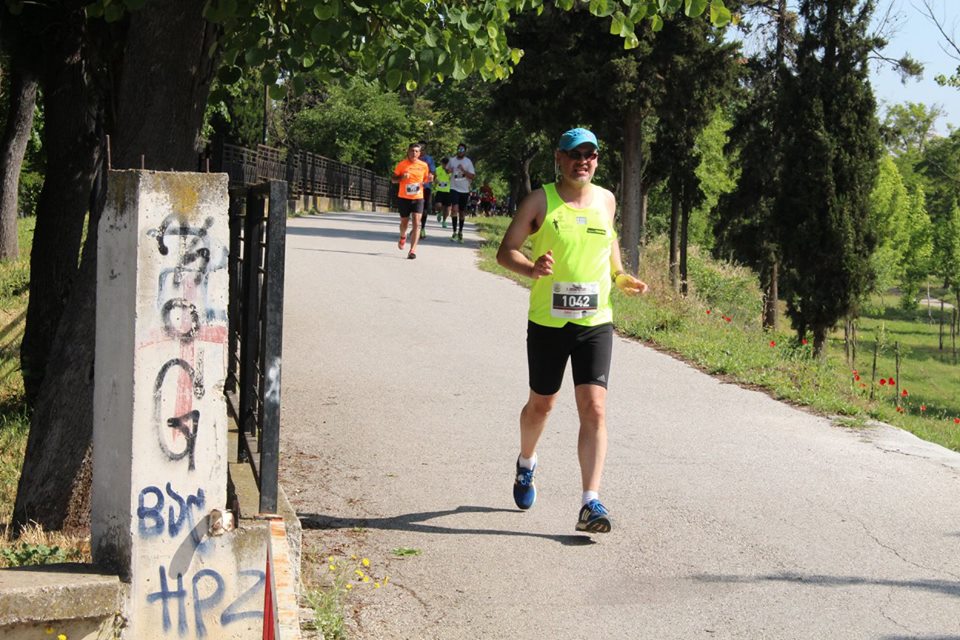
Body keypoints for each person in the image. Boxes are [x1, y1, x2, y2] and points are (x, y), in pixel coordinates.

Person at [495, 127, 649, 533]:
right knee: (541, 405)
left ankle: (590, 502)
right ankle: (526, 462)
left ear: (597, 159)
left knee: (594, 407)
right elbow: (505, 251)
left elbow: (609, 245)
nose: (583, 161)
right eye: (575, 154)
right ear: (559, 158)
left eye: (590, 154)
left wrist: (620, 276)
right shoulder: (539, 200)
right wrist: (531, 268)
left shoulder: (606, 200)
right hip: (548, 321)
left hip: (594, 321)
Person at [391, 142, 430, 259]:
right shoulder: (402, 164)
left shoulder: (424, 165)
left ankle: (412, 250)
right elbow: (393, 180)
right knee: (404, 223)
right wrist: (402, 177)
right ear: (408, 152)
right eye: (412, 151)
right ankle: (403, 236)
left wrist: (429, 179)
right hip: (404, 197)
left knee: (417, 224)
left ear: (419, 153)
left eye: (416, 151)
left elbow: (425, 180)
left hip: (418, 198)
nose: (414, 153)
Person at [446, 143, 475, 244]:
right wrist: (449, 170)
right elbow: (447, 170)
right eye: (459, 149)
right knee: (455, 209)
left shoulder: (468, 162)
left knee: (462, 212)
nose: (460, 151)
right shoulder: (452, 160)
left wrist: (463, 170)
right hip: (454, 188)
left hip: (464, 190)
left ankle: (460, 232)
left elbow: (472, 176)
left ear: (465, 151)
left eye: (462, 150)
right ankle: (454, 232)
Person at [418, 140, 436, 239]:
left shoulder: (429, 159)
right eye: (420, 148)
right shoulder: (413, 158)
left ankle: (422, 228)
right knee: (414, 209)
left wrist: (431, 175)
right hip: (414, 187)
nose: (421, 150)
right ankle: (416, 226)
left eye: (423, 148)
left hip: (426, 187)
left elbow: (432, 171)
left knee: (424, 208)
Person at [433, 157, 453, 229]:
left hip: (448, 191)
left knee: (447, 209)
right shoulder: (437, 169)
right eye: (443, 164)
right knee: (438, 205)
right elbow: (434, 177)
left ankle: (444, 221)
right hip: (439, 190)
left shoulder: (451, 170)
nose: (444, 166)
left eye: (446, 165)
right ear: (441, 163)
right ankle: (439, 212)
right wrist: (435, 181)